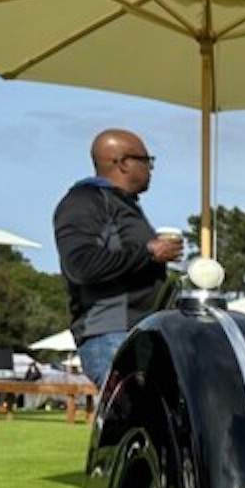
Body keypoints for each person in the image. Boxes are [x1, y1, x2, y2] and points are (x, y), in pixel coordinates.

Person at [52, 129, 184, 382]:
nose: (151, 169)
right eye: (147, 161)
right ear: (124, 163)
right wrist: (149, 252)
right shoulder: (85, 201)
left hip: (135, 334)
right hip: (111, 335)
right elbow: (80, 265)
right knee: (138, 417)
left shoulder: (122, 203)